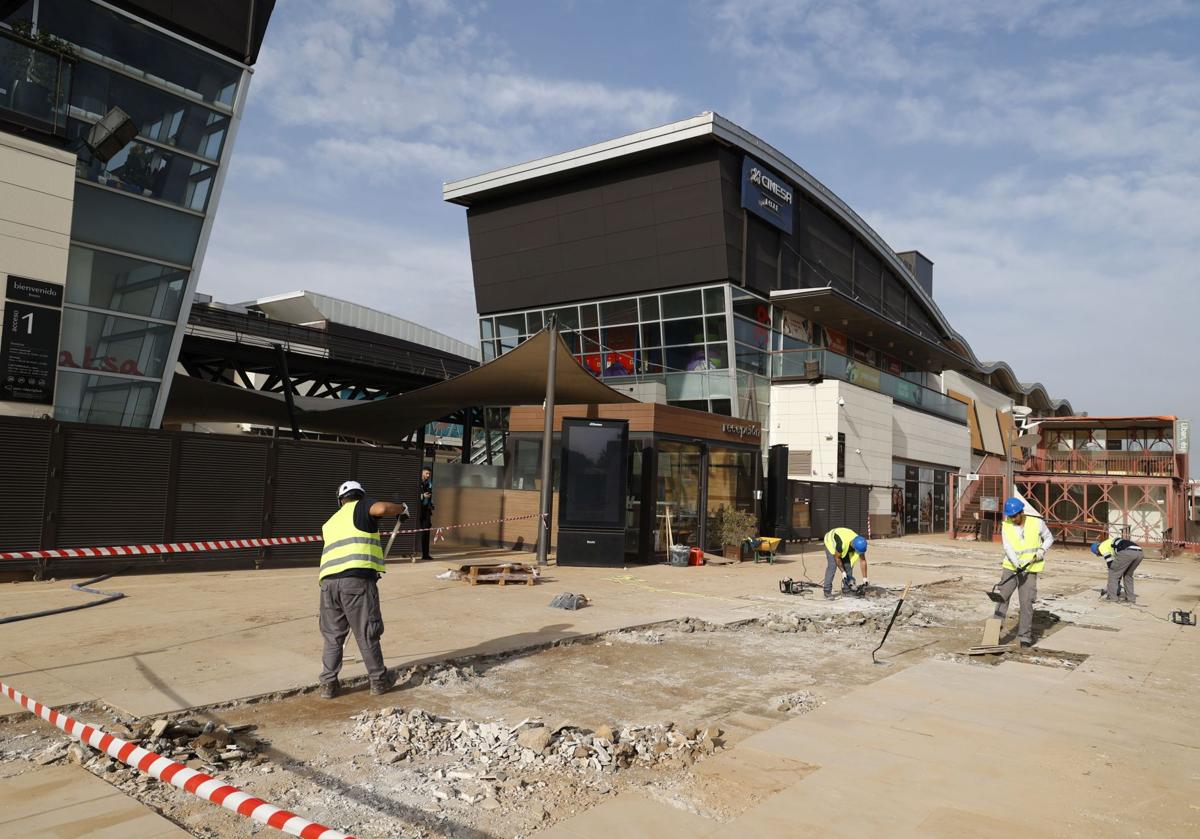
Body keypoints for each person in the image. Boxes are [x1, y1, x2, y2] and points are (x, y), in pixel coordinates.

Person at [318, 480, 409, 699]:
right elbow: (381, 509)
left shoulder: (330, 521)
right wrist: (402, 509)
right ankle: (379, 681)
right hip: (355, 583)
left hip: (328, 585)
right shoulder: (360, 506)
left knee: (332, 637)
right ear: (360, 495)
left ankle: (328, 685)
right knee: (367, 633)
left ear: (340, 499)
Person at [991, 497, 1053, 647]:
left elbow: (1049, 538)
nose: (1012, 519)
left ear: (1021, 512)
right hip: (1011, 568)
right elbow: (1008, 547)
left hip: (1030, 570)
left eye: (1014, 516)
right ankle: (992, 635)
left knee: (1026, 603)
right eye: (1009, 516)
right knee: (1001, 599)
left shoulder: (1037, 523)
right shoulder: (1006, 525)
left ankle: (1025, 636)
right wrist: (1016, 564)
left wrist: (1041, 551)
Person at [1091, 536, 1143, 604]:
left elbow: (1110, 564)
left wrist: (1113, 582)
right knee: (1127, 575)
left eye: (1098, 554)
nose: (1100, 555)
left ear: (1097, 550)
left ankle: (1112, 597)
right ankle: (1131, 599)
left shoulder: (1101, 547)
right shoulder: (1109, 544)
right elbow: (1119, 565)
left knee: (1113, 573)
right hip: (1140, 552)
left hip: (1127, 552)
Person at [822, 527, 868, 599]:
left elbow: (863, 561)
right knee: (832, 566)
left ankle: (846, 590)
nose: (858, 553)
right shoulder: (841, 545)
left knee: (848, 566)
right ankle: (827, 590)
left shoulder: (859, 543)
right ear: (853, 546)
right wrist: (843, 572)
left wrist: (865, 578)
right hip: (830, 542)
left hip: (845, 543)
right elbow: (837, 558)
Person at [418, 467, 435, 560]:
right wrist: (422, 496)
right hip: (417, 510)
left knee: (426, 532)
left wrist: (431, 503)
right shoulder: (417, 482)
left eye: (429, 474)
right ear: (421, 473)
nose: (428, 476)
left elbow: (430, 495)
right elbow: (411, 494)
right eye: (426, 473)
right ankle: (408, 551)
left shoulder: (429, 484)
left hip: (426, 510)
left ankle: (425, 554)